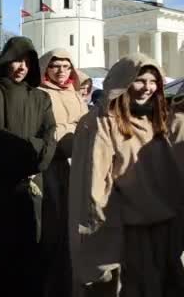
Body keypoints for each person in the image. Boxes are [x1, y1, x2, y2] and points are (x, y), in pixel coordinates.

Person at [69, 53, 184, 297]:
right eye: (141, 80)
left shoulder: (160, 118)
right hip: (126, 228)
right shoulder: (101, 122)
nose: (148, 88)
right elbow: (94, 180)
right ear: (123, 81)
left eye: (154, 82)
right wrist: (100, 226)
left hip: (163, 224)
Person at [0, 37, 57, 297]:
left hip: (27, 183)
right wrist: (30, 150)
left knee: (28, 248)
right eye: (17, 60)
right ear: (6, 59)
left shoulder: (41, 97)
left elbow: (49, 138)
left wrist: (37, 156)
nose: (22, 67)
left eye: (28, 62)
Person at [37, 48, 89, 297]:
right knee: (53, 226)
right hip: (51, 167)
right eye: (55, 66)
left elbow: (88, 126)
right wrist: (74, 130)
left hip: (77, 165)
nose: (61, 71)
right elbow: (46, 132)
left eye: (66, 66)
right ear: (46, 68)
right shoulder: (39, 94)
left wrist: (74, 130)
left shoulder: (75, 94)